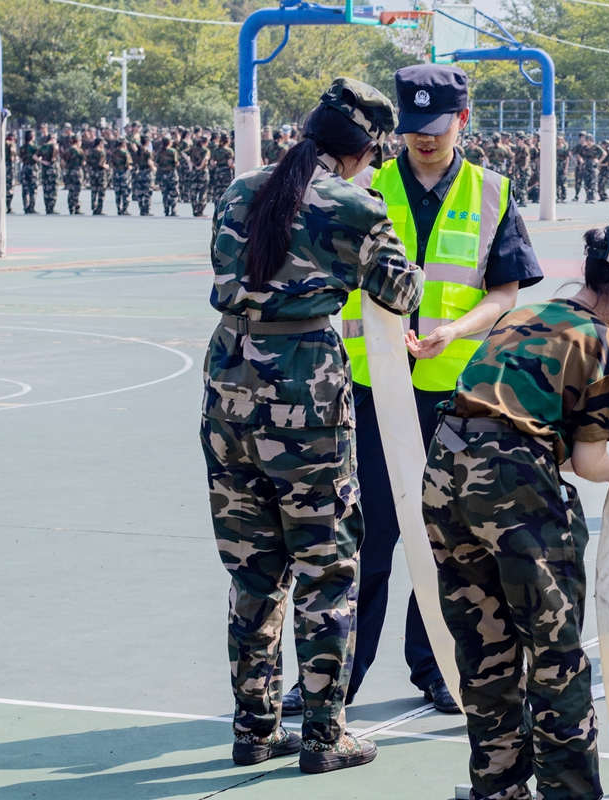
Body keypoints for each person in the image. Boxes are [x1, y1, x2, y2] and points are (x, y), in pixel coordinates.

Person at [279, 63, 543, 720]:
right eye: (412, 129)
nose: (423, 141)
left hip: (455, 394)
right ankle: (333, 678)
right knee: (363, 542)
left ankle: (433, 667)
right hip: (369, 392)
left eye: (436, 127)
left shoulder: (491, 191)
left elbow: (505, 291)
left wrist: (456, 328)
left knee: (446, 540)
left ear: (462, 120)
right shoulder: (361, 190)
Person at [204, 76, 421, 774]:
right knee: (328, 567)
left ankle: (254, 728)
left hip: (228, 380)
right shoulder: (354, 203)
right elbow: (402, 291)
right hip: (304, 389)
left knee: (252, 572)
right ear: (365, 150)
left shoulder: (243, 189)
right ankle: (326, 737)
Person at [424, 218, 609, 800]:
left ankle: (498, 787)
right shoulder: (604, 342)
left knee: (485, 649)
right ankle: (569, 792)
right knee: (555, 654)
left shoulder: (522, 316)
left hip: (444, 471)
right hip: (515, 486)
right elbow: (590, 461)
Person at [155, 136, 181, 216]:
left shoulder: (159, 152)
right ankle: (173, 210)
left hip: (162, 174)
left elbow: (156, 163)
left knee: (165, 192)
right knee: (173, 192)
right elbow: (176, 163)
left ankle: (166, 209)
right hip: (172, 174)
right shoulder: (173, 151)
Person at [133, 134, 156, 216]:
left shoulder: (138, 152)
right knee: (147, 192)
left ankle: (141, 209)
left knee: (140, 192)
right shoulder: (147, 152)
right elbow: (149, 162)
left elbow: (136, 163)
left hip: (140, 172)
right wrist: (154, 168)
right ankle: (146, 210)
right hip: (147, 173)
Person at [189, 134, 212, 216]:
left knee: (193, 191)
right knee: (203, 193)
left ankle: (194, 209)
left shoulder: (193, 149)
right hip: (202, 172)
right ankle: (200, 211)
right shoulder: (206, 150)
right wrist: (201, 167)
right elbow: (206, 159)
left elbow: (183, 152)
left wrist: (190, 164)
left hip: (194, 172)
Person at [109, 138, 134, 215]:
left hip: (116, 173)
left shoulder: (113, 153)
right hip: (124, 174)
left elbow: (111, 164)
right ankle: (125, 208)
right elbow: (127, 164)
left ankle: (118, 208)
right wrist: (131, 168)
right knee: (125, 192)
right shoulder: (125, 153)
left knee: (117, 192)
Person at [210, 133, 235, 204]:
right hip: (226, 172)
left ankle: (217, 208)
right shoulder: (229, 150)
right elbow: (230, 164)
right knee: (226, 191)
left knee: (217, 191)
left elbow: (212, 163)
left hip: (217, 171)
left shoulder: (215, 150)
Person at [39, 132, 60, 214]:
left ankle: (47, 207)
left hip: (45, 168)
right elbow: (56, 148)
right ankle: (51, 207)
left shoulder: (43, 146)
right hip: (53, 168)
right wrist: (54, 157)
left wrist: (42, 161)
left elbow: (35, 155)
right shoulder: (53, 145)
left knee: (46, 188)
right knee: (53, 188)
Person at [19, 130, 39, 214]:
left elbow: (20, 157)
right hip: (32, 167)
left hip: (24, 167)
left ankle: (25, 207)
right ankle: (31, 207)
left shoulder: (22, 147)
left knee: (25, 188)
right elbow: (37, 156)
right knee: (33, 188)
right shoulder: (34, 147)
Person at [85, 138, 107, 214]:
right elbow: (101, 163)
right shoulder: (101, 152)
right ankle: (99, 208)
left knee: (94, 190)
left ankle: (93, 206)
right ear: (100, 143)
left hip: (92, 171)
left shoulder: (90, 151)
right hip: (100, 172)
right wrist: (106, 166)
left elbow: (87, 161)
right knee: (101, 191)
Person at [4, 132, 18, 214]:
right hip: (8, 168)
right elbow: (13, 150)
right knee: (9, 187)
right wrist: (14, 156)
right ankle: (8, 206)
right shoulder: (10, 144)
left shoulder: (1, 143)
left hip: (1, 167)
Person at [556, 135, 570, 202]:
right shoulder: (554, 147)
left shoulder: (565, 148)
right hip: (555, 165)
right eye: (557, 139)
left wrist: (566, 168)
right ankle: (558, 197)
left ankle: (564, 197)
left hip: (562, 164)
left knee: (563, 182)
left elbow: (567, 158)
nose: (558, 140)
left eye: (559, 139)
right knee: (556, 182)